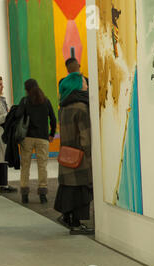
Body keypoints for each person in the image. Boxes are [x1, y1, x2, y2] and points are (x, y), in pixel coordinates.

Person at [54, 72, 94, 235]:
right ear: (77, 85)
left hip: (67, 154)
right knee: (82, 190)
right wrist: (90, 155)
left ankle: (68, 218)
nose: (87, 85)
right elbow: (85, 136)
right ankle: (76, 223)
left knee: (69, 188)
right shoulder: (82, 108)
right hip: (81, 156)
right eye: (84, 83)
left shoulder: (64, 107)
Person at [16, 79, 57, 204]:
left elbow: (18, 115)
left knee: (25, 166)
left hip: (27, 138)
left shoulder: (24, 101)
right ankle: (43, 193)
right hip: (42, 138)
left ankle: (24, 194)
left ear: (27, 89)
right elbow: (53, 119)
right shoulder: (46, 100)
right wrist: (51, 134)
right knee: (42, 166)